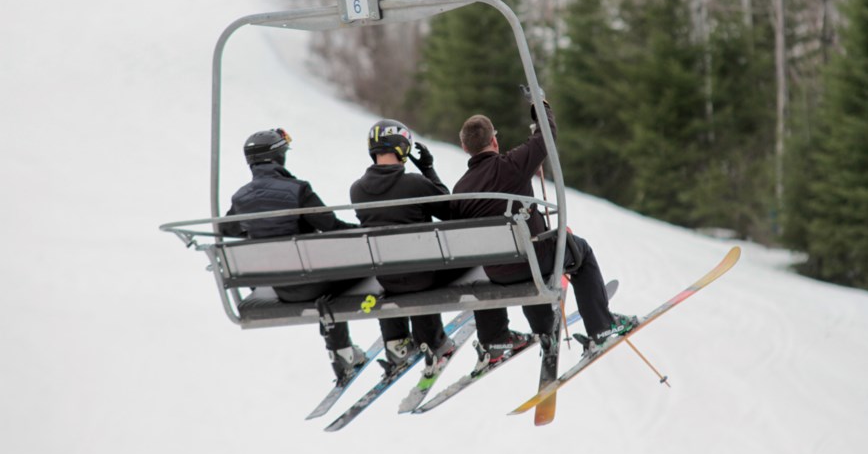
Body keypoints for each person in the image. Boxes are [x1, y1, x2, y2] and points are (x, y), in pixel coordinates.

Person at [451, 95, 636, 370]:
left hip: (497, 273)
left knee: (527, 261)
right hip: (533, 262)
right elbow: (547, 136)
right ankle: (601, 328)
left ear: (465, 147)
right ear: (495, 141)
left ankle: (541, 328)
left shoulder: (460, 190)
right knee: (579, 251)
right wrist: (541, 109)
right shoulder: (512, 165)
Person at [219, 128, 366, 385]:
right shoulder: (297, 190)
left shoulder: (240, 198)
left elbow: (227, 229)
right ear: (278, 157)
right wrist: (365, 230)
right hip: (314, 283)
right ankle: (344, 348)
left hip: (282, 289)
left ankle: (341, 351)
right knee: (352, 270)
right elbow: (330, 225)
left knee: (322, 279)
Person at [349, 119, 461, 376]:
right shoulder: (414, 183)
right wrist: (429, 171)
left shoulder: (357, 191)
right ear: (403, 148)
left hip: (387, 278)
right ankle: (433, 342)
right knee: (422, 268)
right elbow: (450, 211)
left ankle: (399, 343)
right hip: (423, 277)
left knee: (405, 267)